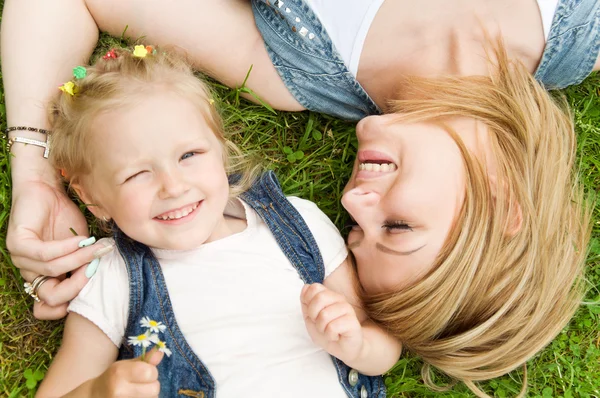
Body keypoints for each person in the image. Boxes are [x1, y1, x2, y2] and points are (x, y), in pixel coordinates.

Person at [1, 0, 595, 395]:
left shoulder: (295, 68)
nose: (355, 202)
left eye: (357, 233)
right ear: (505, 200)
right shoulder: (586, 27)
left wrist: (35, 173)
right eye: (399, 226)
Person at [34, 46, 400, 398]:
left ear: (221, 148)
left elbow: (383, 346)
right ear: (93, 198)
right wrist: (98, 391)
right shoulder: (115, 280)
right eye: (137, 174)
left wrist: (356, 344)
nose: (173, 186)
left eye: (189, 154)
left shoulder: (297, 222)